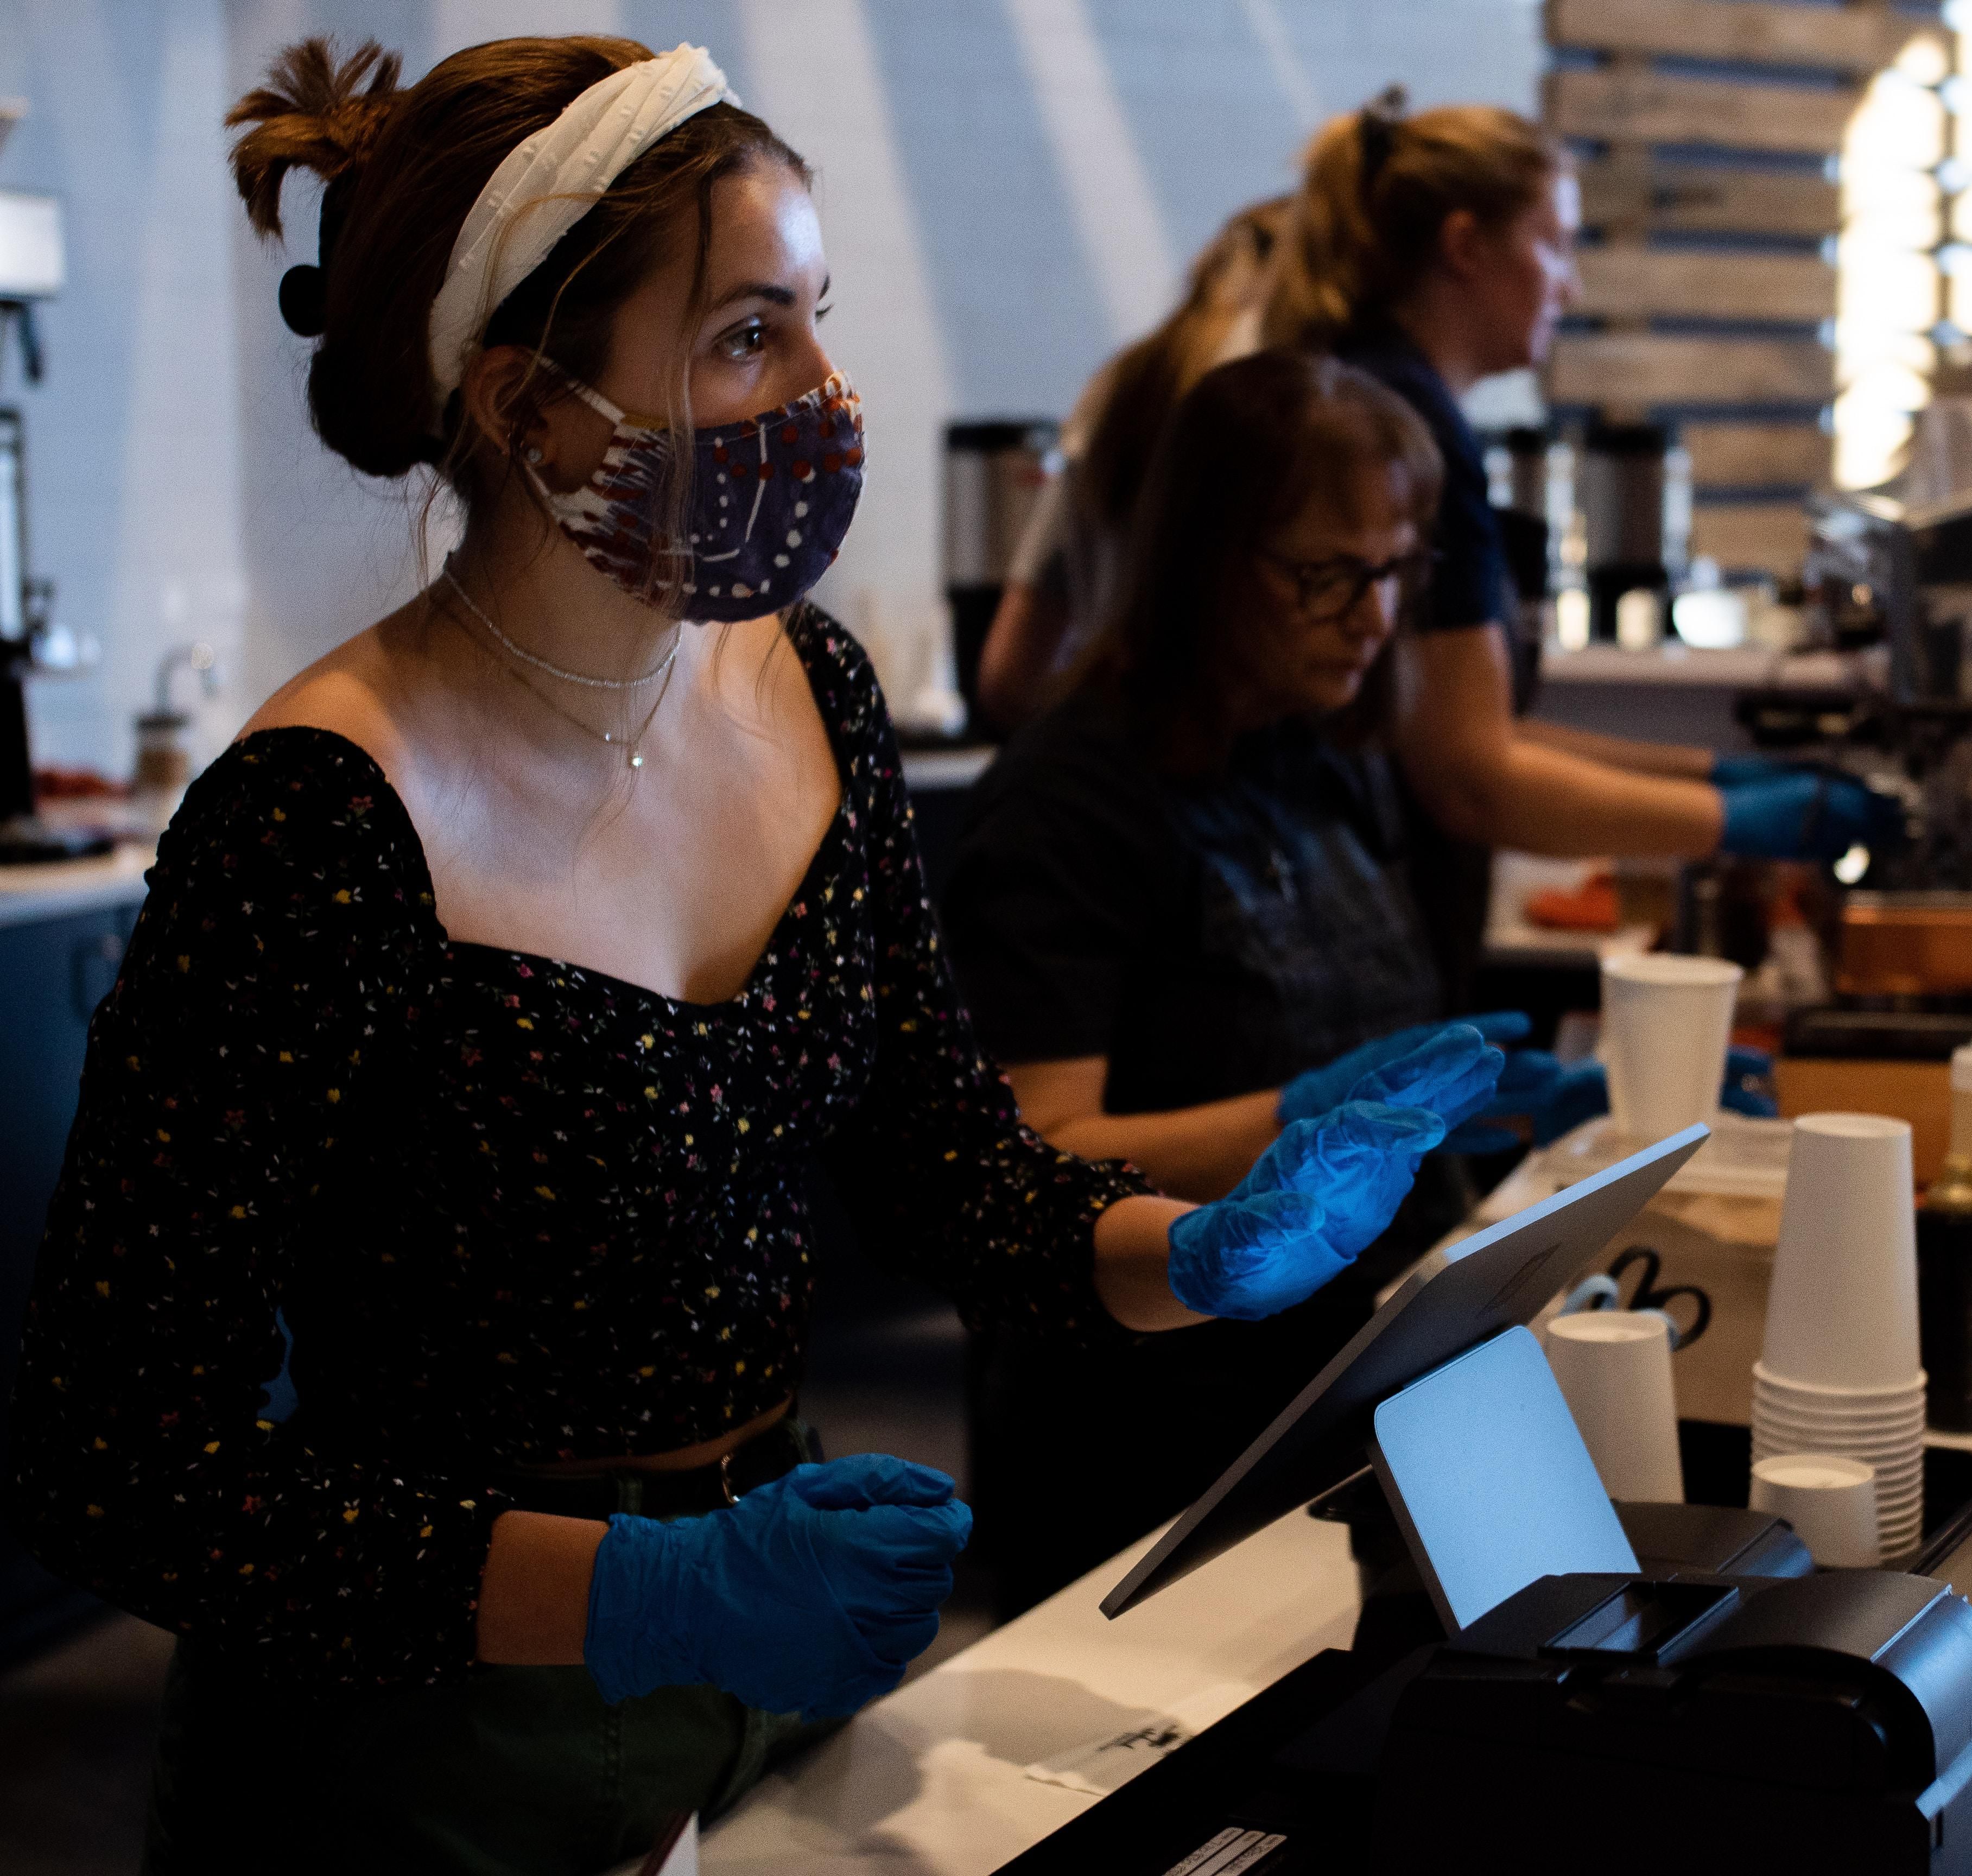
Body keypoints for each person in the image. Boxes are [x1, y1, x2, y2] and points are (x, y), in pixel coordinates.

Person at [2, 40, 1509, 1874]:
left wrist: (1197, 1251)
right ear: (536, 409)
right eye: (744, 336)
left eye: (814, 315)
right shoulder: (322, 816)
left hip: (779, 1675)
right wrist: (639, 1591)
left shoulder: (810, 692)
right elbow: (120, 1458)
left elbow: (944, 1162)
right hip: (416, 1739)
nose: (824, 389)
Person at [943, 348, 1594, 1616]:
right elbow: (1031, 1162)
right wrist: (1298, 1120)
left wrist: (1483, 1115)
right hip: (1155, 1458)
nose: (1373, 616)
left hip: (1353, 1400)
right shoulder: (1067, 805)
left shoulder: (1321, 752)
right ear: (1199, 562)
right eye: (1326, 575)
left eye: (1397, 572)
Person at [1265, 93, 1898, 1004]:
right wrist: (1737, 818)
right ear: (1465, 246)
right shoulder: (1405, 432)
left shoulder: (1387, 398)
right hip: (1343, 924)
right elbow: (1472, 781)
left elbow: (1463, 728)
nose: (1570, 285)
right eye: (1555, 243)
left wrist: (1711, 773)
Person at [974, 197, 1288, 730]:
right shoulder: (1278, 395)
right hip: (1222, 762)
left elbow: (1010, 673)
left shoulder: (1118, 388)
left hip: (1115, 755)